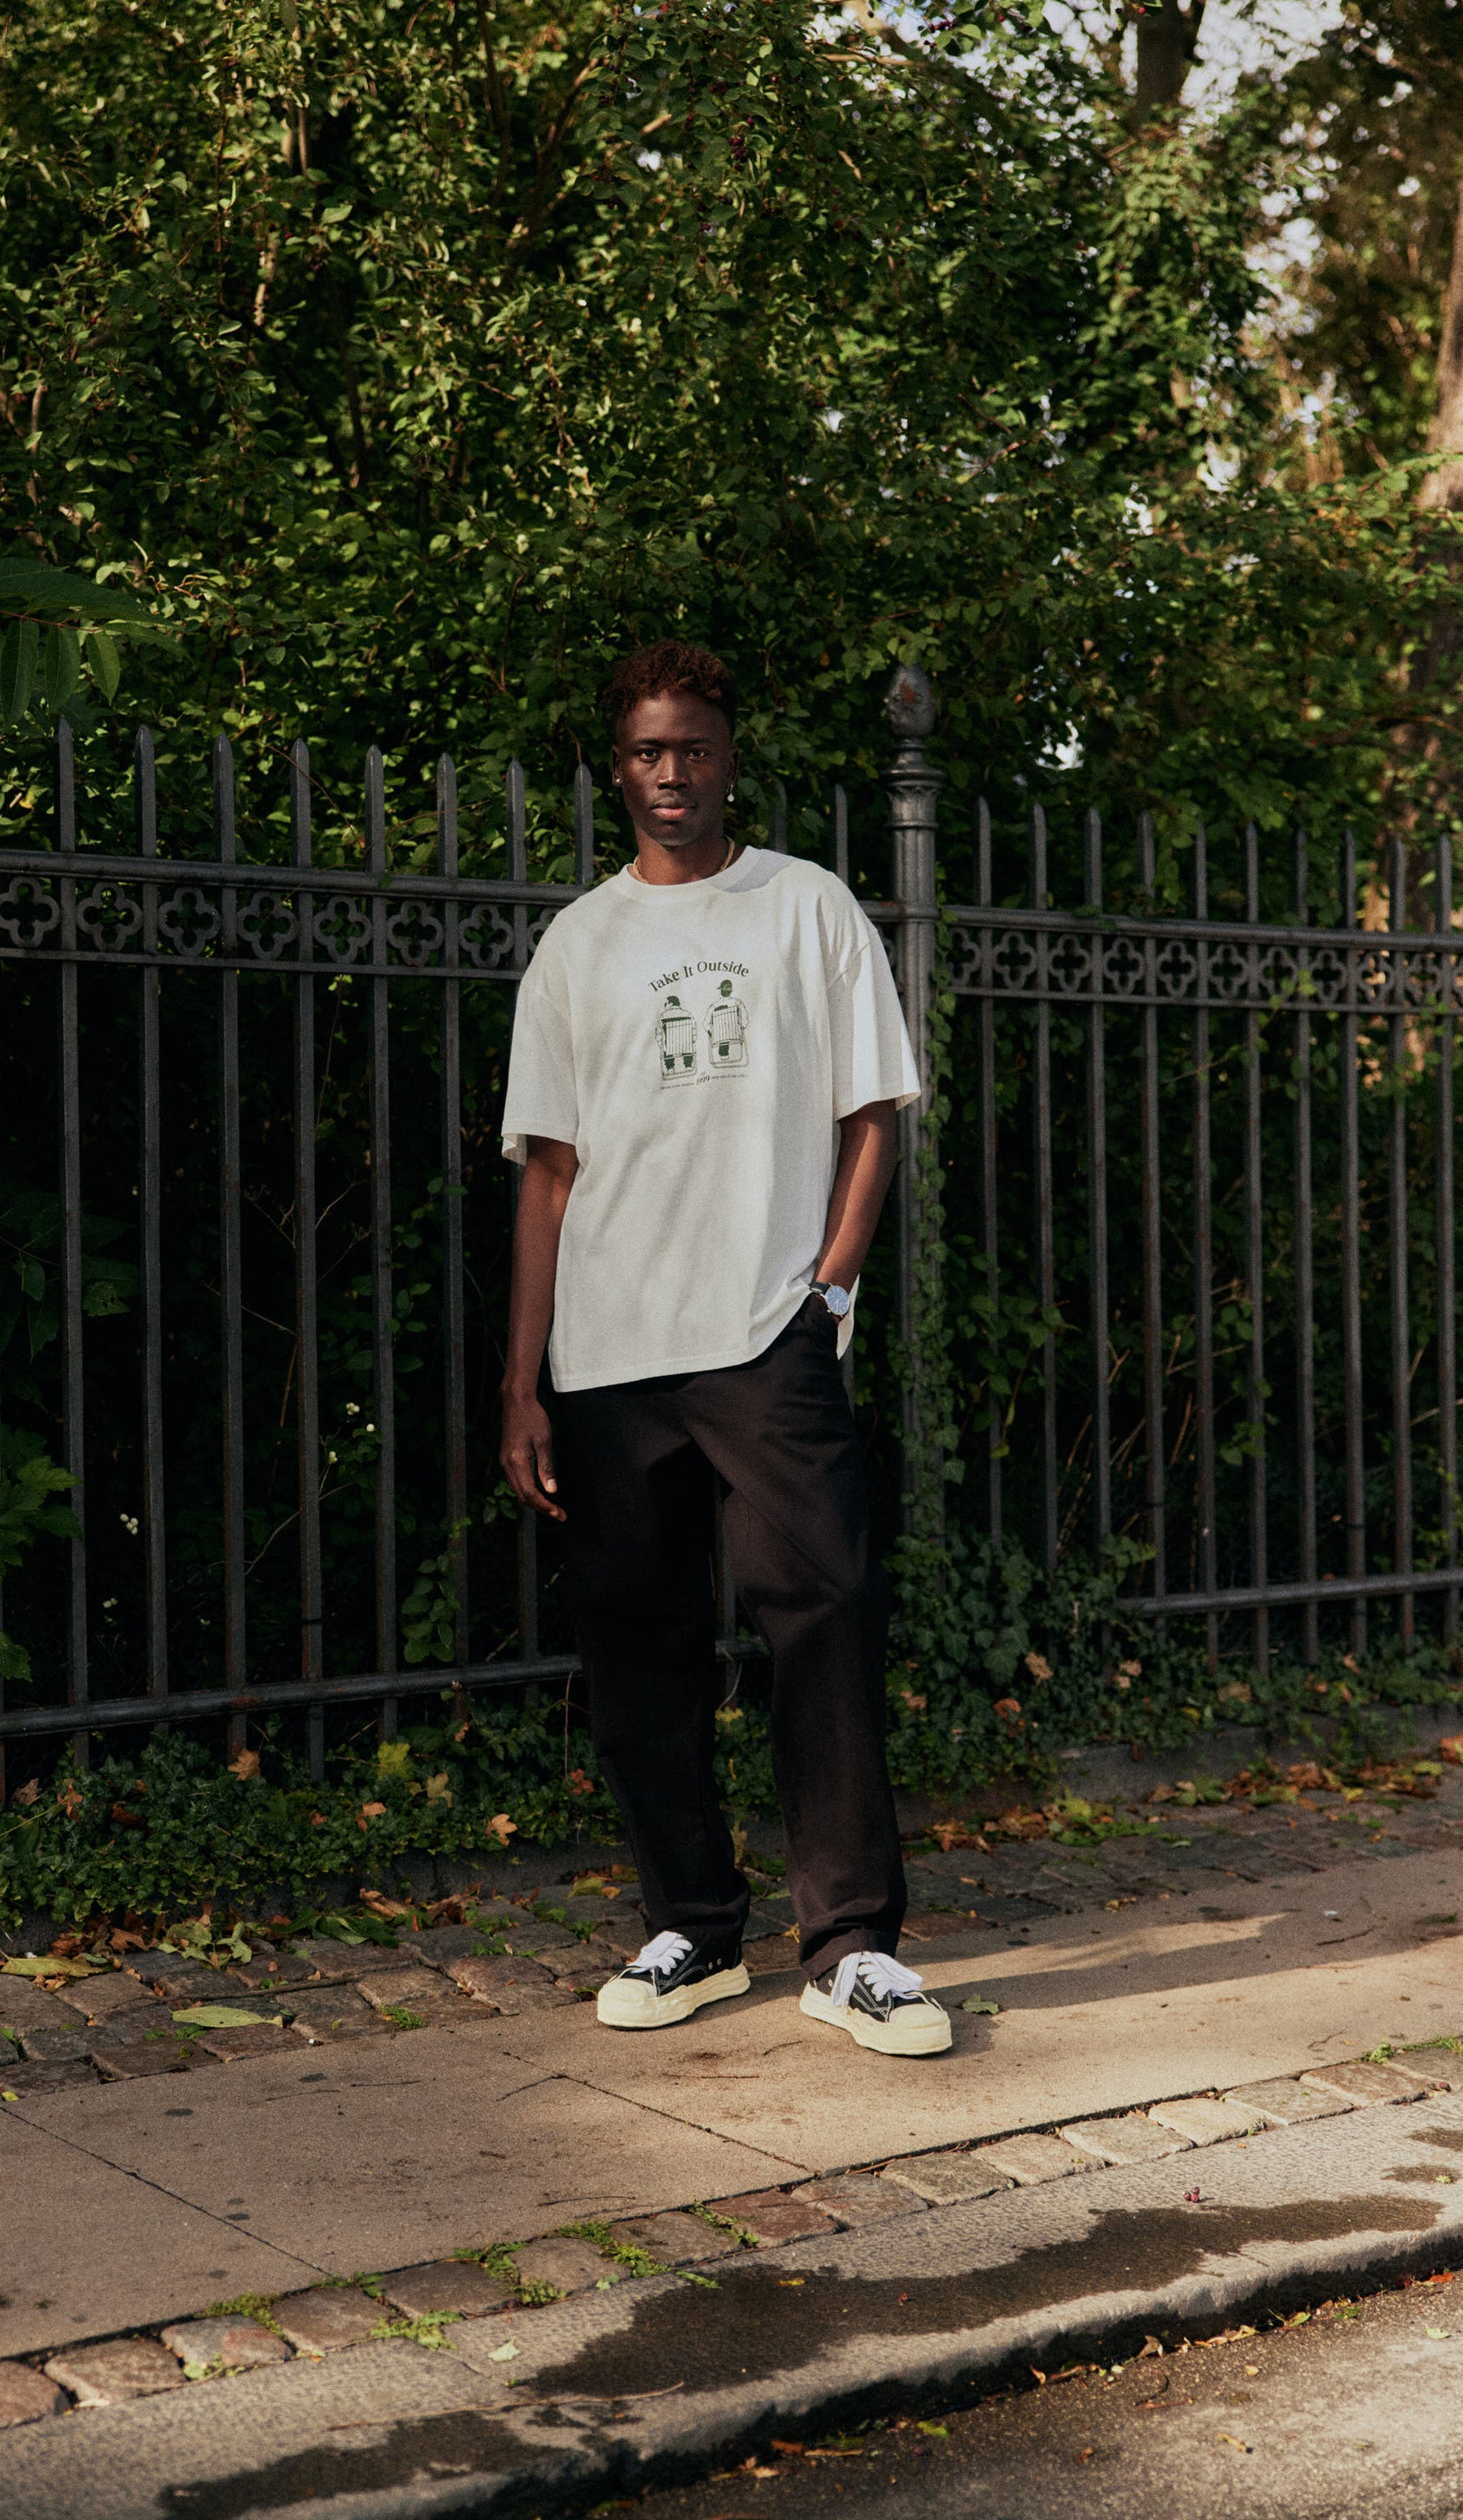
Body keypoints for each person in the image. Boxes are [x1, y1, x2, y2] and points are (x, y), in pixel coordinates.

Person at [497, 639, 951, 2058]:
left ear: (727, 756)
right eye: (648, 750)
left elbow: (872, 1116)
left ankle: (853, 1945)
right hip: (609, 1351)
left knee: (822, 1615)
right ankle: (690, 1924)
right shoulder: (578, 944)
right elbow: (549, 1173)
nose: (671, 771)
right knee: (639, 1644)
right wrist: (520, 1381)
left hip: (765, 1334)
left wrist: (827, 1290)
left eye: (693, 746)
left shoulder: (803, 907)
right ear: (615, 767)